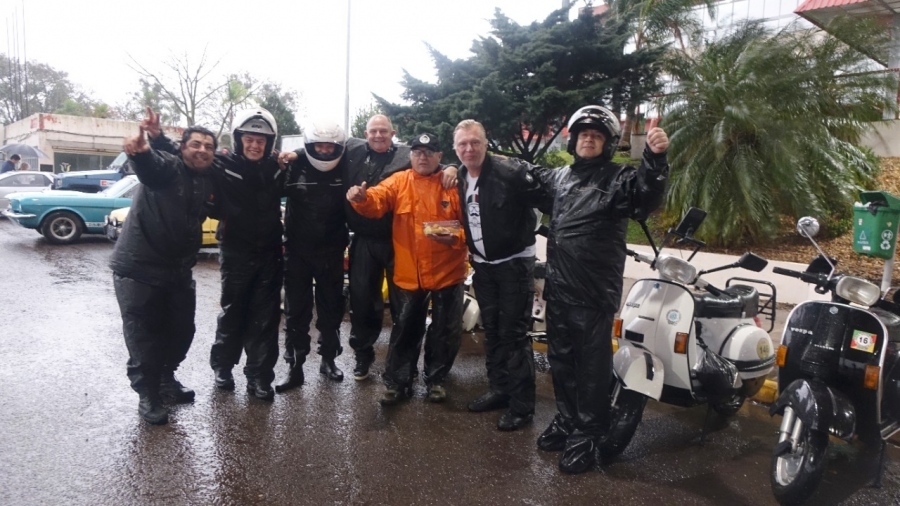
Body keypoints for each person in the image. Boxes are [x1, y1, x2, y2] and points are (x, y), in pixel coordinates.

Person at [536, 105, 669, 474]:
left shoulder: (619, 178)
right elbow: (523, 179)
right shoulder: (560, 177)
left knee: (591, 367)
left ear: (607, 143)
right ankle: (568, 419)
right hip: (559, 288)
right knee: (561, 361)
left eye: (596, 135)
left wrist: (655, 159)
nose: (589, 140)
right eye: (584, 134)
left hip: (592, 294)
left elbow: (646, 196)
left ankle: (589, 430)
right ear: (574, 140)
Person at [110, 111, 219, 425]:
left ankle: (166, 379)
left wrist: (158, 136)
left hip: (178, 269)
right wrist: (140, 154)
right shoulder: (168, 167)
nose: (202, 150)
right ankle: (148, 395)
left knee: (182, 330)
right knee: (144, 336)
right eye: (195, 144)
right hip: (139, 267)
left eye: (208, 146)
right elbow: (151, 167)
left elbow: (173, 148)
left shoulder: (204, 176)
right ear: (183, 148)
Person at [346, 132, 467, 405]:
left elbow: (470, 226)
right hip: (409, 272)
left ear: (439, 156)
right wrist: (362, 198)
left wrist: (456, 237)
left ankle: (436, 380)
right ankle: (398, 383)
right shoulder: (399, 181)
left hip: (448, 272)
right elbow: (377, 199)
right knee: (404, 329)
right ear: (410, 155)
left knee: (445, 330)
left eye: (429, 152)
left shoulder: (452, 185)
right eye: (417, 152)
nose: (422, 157)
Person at [453, 119, 548, 432]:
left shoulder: (511, 172)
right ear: (456, 149)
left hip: (514, 265)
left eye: (475, 142)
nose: (469, 149)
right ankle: (499, 389)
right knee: (492, 329)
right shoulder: (460, 176)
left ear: (486, 143)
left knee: (513, 334)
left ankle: (522, 407)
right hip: (483, 265)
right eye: (463, 144)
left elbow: (548, 196)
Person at [275, 120, 349, 392]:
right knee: (296, 311)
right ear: (309, 146)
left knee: (331, 309)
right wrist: (291, 157)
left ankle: (328, 360)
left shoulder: (345, 166)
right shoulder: (295, 165)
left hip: (332, 250)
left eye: (330, 146)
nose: (325, 151)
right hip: (297, 251)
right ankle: (294, 366)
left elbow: (365, 150)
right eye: (319, 146)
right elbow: (272, 188)